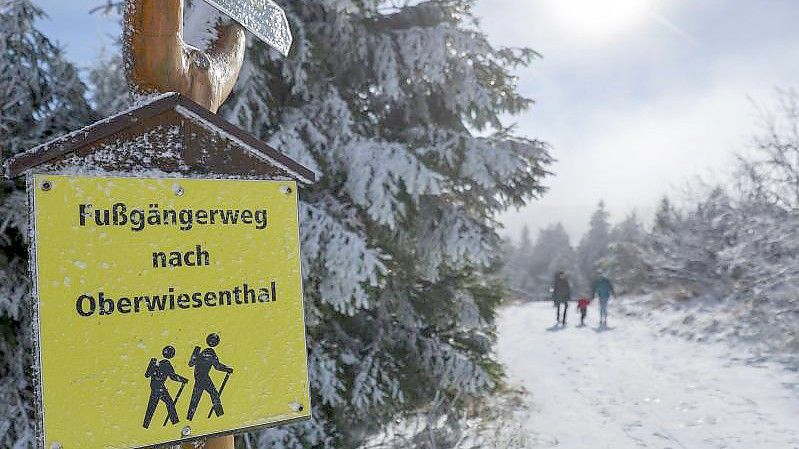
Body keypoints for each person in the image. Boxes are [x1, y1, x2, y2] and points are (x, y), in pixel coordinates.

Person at [187, 333, 234, 420]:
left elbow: (191, 364)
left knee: (195, 399)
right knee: (213, 394)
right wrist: (228, 369)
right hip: (204, 378)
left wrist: (195, 355)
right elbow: (217, 366)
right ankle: (220, 416)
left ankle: (189, 418)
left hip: (198, 378)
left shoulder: (201, 352)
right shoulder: (210, 353)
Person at [143, 345, 188, 429]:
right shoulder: (164, 364)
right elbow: (172, 376)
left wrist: (183, 380)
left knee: (157, 406)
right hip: (158, 388)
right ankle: (175, 422)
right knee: (161, 405)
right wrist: (183, 380)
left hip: (157, 388)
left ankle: (175, 423)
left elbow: (172, 376)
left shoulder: (157, 362)